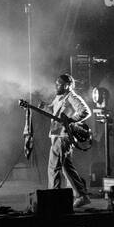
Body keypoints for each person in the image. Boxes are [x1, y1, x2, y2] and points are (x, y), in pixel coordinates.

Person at [32, 73, 92, 208]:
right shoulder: (59, 97)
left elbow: (85, 111)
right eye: (56, 83)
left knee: (54, 167)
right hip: (56, 135)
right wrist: (44, 107)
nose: (56, 86)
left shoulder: (72, 97)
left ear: (67, 85)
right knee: (66, 168)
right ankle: (82, 196)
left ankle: (54, 200)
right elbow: (53, 111)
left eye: (59, 84)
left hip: (62, 136)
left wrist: (71, 120)